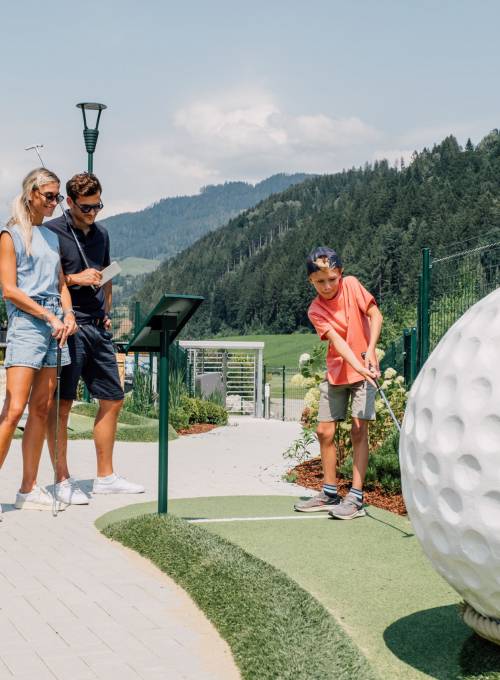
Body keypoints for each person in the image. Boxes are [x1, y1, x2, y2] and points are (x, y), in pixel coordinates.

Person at [46, 172, 144, 504]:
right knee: (63, 403)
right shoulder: (52, 232)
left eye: (97, 206)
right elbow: (48, 280)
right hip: (67, 326)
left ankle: (105, 477)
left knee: (113, 397)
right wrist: (75, 278)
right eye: (86, 207)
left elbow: (107, 277)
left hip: (97, 327)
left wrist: (107, 312)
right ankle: (61, 479)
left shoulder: (101, 234)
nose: (93, 213)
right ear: (69, 202)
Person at [0, 168, 77, 516]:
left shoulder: (51, 237)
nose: (54, 202)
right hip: (28, 325)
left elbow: (61, 283)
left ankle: (27, 489)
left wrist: (69, 314)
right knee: (14, 409)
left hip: (54, 327)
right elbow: (10, 290)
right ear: (31, 193)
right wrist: (47, 316)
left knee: (41, 410)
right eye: (49, 195)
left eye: (57, 196)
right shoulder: (11, 234)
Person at [294, 247, 383, 520]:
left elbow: (375, 316)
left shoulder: (353, 285)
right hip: (337, 373)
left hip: (364, 372)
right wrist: (358, 363)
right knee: (324, 431)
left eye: (332, 278)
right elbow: (339, 343)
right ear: (311, 281)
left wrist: (370, 351)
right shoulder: (315, 310)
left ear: (340, 273)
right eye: (320, 281)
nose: (327, 285)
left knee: (359, 431)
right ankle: (329, 492)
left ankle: (355, 497)